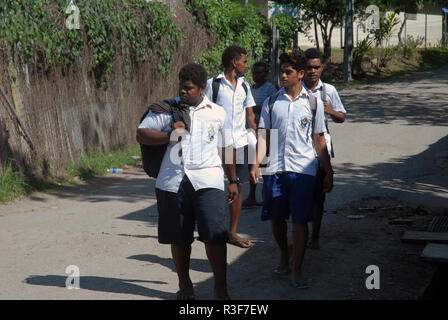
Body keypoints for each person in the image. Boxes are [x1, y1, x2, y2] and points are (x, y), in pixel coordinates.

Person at [136, 63, 238, 300]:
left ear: (201, 88)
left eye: (189, 88)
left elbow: (227, 147)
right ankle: (185, 286)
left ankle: (220, 288)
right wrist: (169, 135)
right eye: (181, 87)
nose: (183, 92)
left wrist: (232, 179)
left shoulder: (217, 112)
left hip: (208, 180)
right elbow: (141, 133)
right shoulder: (165, 110)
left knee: (214, 235)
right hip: (172, 181)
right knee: (179, 238)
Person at [250, 49, 333, 289]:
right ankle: (283, 253)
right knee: (276, 219)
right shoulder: (272, 101)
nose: (283, 76)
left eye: (288, 72)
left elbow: (319, 139)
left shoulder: (313, 103)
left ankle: (296, 267)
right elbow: (264, 136)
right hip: (275, 169)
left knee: (299, 221)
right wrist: (256, 164)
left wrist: (328, 171)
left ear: (300, 74)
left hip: (303, 170)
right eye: (281, 72)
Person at [204, 45, 257, 249]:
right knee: (218, 187)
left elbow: (250, 116)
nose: (246, 65)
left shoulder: (245, 86)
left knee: (238, 186)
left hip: (240, 143)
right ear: (234, 62)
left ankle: (232, 232)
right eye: (244, 61)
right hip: (218, 146)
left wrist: (262, 142)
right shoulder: (213, 85)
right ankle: (213, 228)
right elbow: (204, 111)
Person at [303, 48, 346, 250]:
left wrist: (330, 111)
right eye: (309, 67)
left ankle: (315, 236)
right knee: (300, 194)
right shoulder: (296, 88)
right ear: (302, 69)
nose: (313, 71)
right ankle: (300, 233)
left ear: (322, 68)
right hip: (299, 149)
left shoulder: (328, 90)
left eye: (316, 67)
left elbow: (342, 117)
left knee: (318, 196)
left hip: (320, 147)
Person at [242, 61, 278, 208]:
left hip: (266, 132)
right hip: (251, 132)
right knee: (253, 163)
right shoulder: (249, 89)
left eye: (260, 73)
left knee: (268, 164)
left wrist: (253, 109)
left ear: (266, 74)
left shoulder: (270, 89)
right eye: (255, 73)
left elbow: (272, 107)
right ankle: (251, 195)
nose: (257, 75)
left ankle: (268, 195)